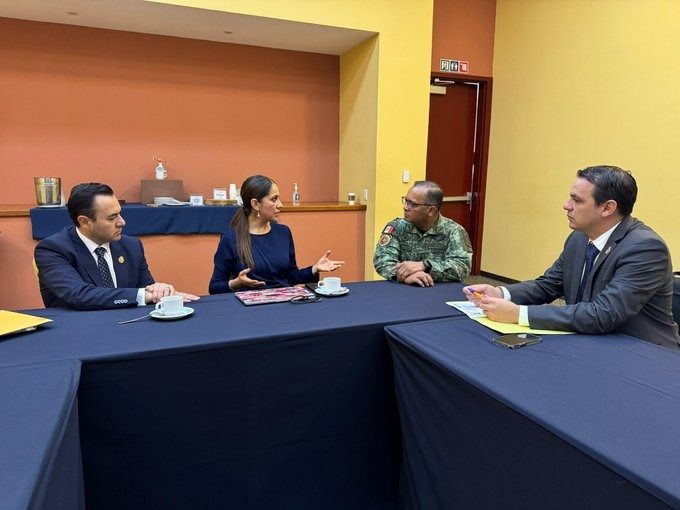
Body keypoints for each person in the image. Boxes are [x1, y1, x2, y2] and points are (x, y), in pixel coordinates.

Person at [465, 165, 680, 349]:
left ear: (607, 208)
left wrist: (519, 314)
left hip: (642, 354)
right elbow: (548, 285)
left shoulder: (646, 248)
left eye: (577, 200)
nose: (566, 205)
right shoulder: (578, 238)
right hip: (591, 340)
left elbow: (604, 314)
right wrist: (502, 293)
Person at [35, 183, 199, 310]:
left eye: (119, 213)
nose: (122, 222)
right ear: (85, 222)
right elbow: (79, 295)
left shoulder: (131, 246)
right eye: (112, 217)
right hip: (79, 333)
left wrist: (159, 290)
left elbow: (146, 289)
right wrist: (143, 294)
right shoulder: (52, 249)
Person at [209, 175, 344, 293]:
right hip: (250, 311)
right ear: (255, 204)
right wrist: (236, 283)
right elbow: (214, 287)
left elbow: (291, 277)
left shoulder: (284, 232)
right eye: (274, 199)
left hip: (285, 305)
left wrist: (314, 269)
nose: (280, 205)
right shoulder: (231, 238)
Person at [373, 180, 472, 287]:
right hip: (402, 288)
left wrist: (426, 266)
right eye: (406, 201)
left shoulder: (453, 231)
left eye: (413, 204)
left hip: (438, 290)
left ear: (431, 210)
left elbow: (462, 268)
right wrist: (404, 275)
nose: (405, 207)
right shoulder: (397, 227)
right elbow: (382, 260)